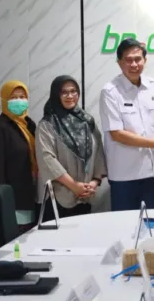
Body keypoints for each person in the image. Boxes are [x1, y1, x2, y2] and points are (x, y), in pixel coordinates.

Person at [99, 38, 154, 211]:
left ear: (145, 60)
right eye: (128, 60)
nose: (134, 64)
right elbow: (117, 134)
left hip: (152, 172)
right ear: (119, 63)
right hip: (124, 175)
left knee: (148, 222)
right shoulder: (110, 91)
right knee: (124, 223)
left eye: (138, 59)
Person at [36, 76, 107, 220]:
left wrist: (93, 183)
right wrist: (74, 186)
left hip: (85, 196)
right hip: (58, 197)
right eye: (64, 92)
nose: (70, 96)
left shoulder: (87, 121)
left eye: (73, 91)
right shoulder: (47, 124)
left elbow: (99, 151)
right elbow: (47, 159)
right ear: (56, 95)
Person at [0, 80, 37, 232]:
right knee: (12, 242)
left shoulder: (30, 125)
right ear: (4, 100)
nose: (19, 101)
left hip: (29, 195)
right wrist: (2, 202)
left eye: (22, 97)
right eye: (13, 97)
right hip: (10, 201)